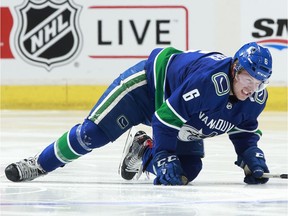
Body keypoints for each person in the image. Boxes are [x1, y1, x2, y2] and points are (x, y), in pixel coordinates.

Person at [5, 42, 272, 185]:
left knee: (185, 171)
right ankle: (39, 163)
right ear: (235, 67)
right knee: (91, 134)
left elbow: (244, 128)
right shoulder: (208, 82)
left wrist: (251, 157)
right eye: (248, 77)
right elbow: (166, 118)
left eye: (260, 82)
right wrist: (165, 154)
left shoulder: (255, 97)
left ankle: (143, 150)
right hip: (147, 89)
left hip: (180, 109)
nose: (252, 87)